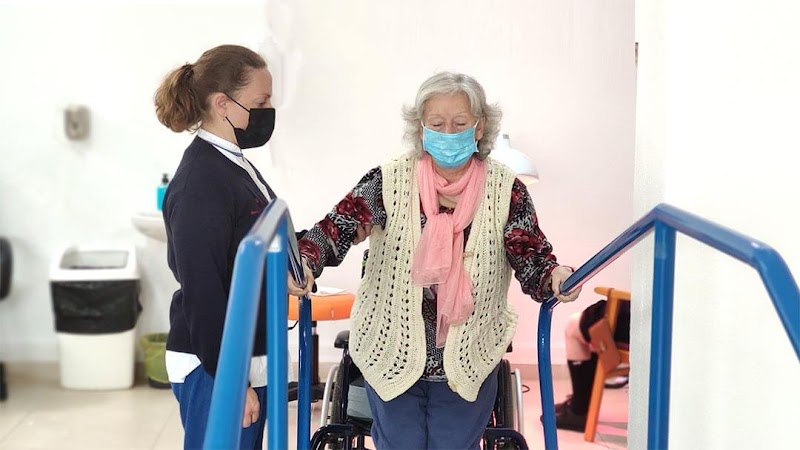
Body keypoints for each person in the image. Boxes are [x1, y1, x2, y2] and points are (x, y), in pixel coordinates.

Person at [297, 71, 582, 449]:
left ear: (479, 128)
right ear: (420, 128)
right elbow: (337, 228)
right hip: (393, 346)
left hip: (468, 354)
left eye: (460, 123)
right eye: (437, 123)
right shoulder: (389, 180)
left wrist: (555, 277)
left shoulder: (505, 188)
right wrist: (304, 260)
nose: (449, 132)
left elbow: (529, 254)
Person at [153, 44, 312, 449]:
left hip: (243, 356)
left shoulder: (231, 162)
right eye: (261, 101)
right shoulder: (200, 183)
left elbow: (244, 244)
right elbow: (204, 289)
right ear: (223, 104)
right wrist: (231, 382)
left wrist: (286, 271)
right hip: (216, 366)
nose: (268, 111)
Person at [551, 297, 631, 431]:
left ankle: (579, 410)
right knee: (592, 327)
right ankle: (580, 402)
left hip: (647, 322)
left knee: (574, 326)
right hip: (666, 322)